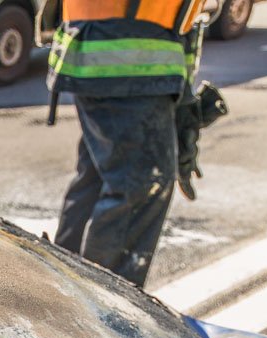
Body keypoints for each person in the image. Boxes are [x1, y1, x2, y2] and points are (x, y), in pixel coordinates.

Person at [45, 0, 209, 288]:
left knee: (98, 181)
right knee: (141, 185)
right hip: (126, 53)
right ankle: (103, 313)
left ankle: (63, 289)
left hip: (123, 51)